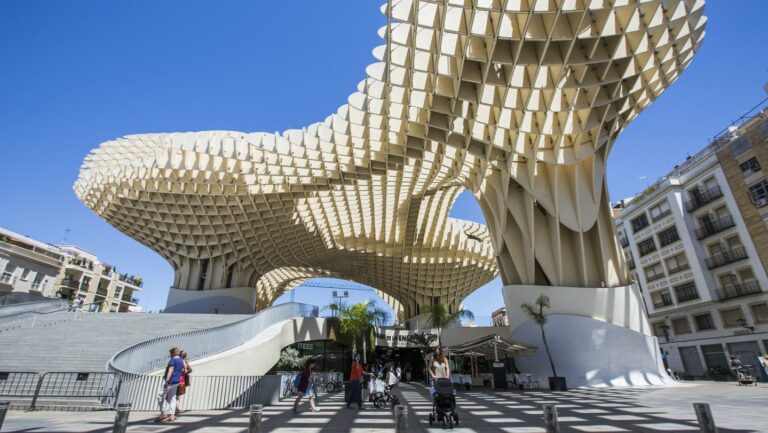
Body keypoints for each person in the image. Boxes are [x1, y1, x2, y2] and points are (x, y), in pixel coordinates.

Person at [157, 347, 184, 422]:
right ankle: (172, 415)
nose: (170, 355)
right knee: (172, 398)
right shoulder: (181, 360)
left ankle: (164, 412)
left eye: (170, 353)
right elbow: (182, 370)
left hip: (170, 381)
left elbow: (170, 370)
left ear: (173, 353)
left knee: (160, 395)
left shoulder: (173, 360)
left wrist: (167, 381)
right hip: (177, 381)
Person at [175, 351, 192, 418]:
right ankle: (177, 408)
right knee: (177, 396)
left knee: (172, 396)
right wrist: (185, 374)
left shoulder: (178, 362)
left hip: (176, 380)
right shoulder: (185, 363)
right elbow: (190, 370)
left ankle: (176, 409)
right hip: (182, 381)